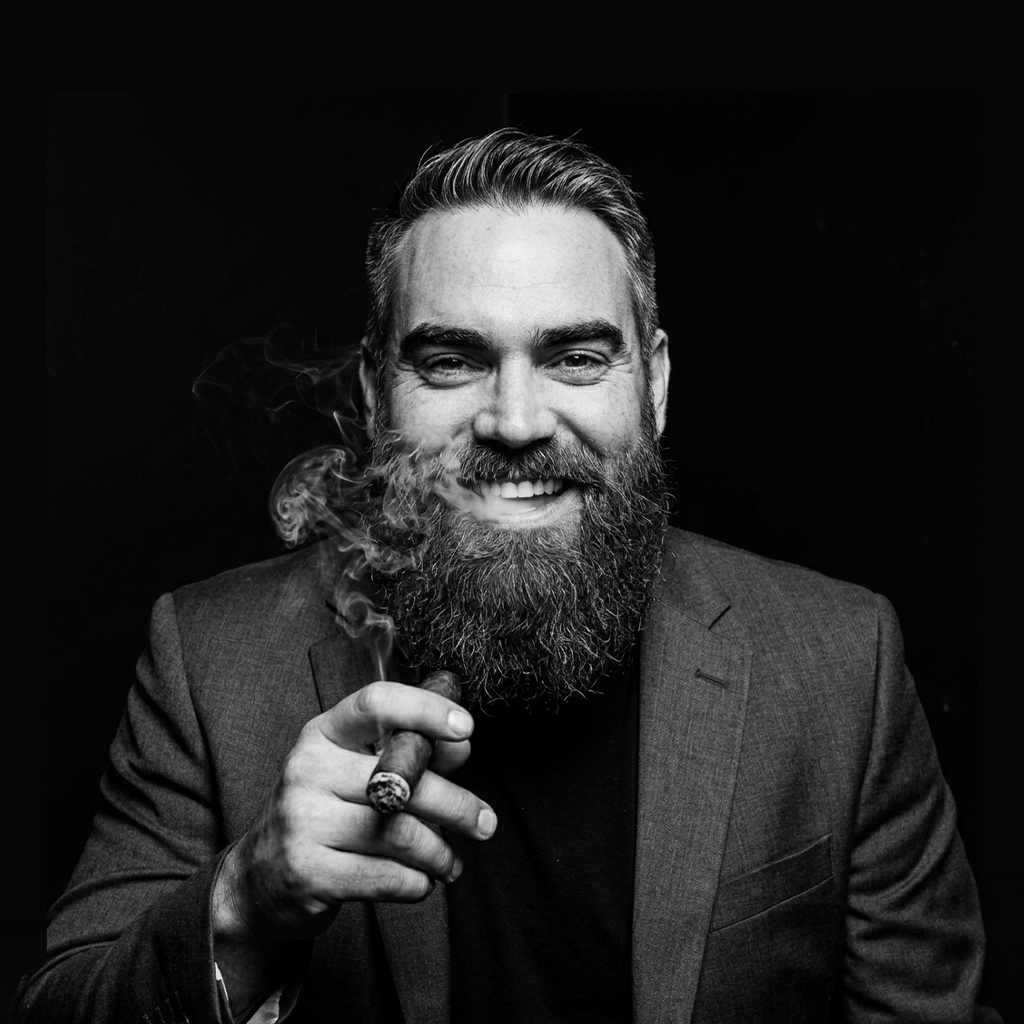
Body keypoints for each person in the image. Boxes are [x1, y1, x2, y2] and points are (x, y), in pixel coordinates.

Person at [21, 129, 985, 1023]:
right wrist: (245, 900)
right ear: (375, 393)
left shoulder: (839, 664)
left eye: (576, 357)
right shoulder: (207, 660)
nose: (515, 422)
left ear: (653, 384)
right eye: (451, 361)